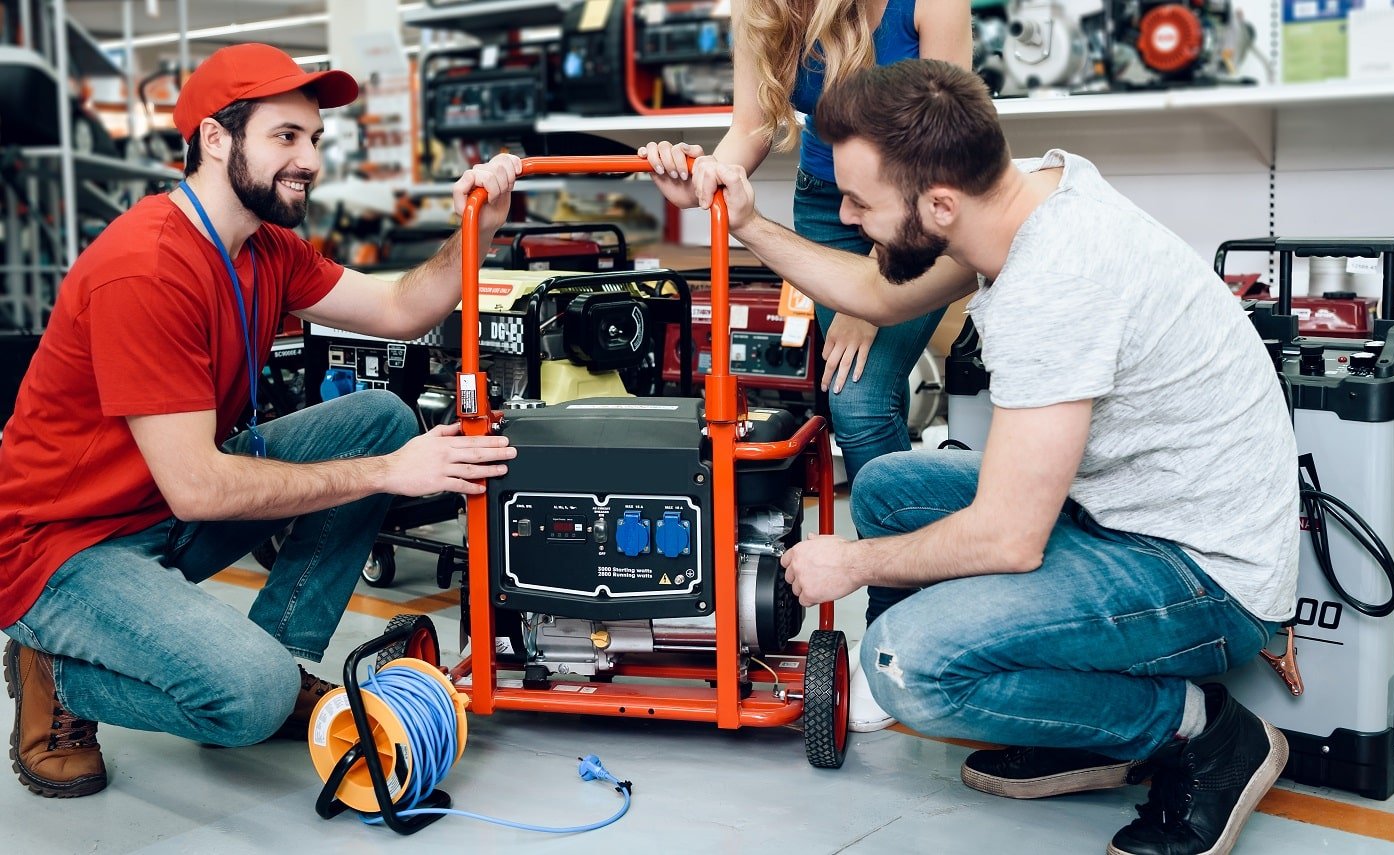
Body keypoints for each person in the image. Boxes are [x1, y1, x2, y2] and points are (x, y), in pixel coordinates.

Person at [703, 59, 1298, 855]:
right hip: (1121, 511)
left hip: (1203, 572)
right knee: (885, 487)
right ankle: (1079, 721)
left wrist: (851, 562)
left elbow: (1009, 537)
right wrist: (744, 220)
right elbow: (877, 295)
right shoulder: (1021, 196)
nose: (845, 215)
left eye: (859, 202)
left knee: (905, 663)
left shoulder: (1055, 281)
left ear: (938, 203)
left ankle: (1205, 731)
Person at [0, 43, 525, 798]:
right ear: (216, 139)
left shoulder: (265, 247)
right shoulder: (146, 267)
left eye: (313, 138)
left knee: (377, 417)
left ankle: (279, 658)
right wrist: (392, 473)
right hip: (61, 547)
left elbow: (402, 309)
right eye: (286, 136)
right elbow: (199, 490)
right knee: (249, 696)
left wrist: (479, 227)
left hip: (156, 506)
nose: (309, 158)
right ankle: (57, 672)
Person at [640, 0, 972, 732]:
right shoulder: (765, 8)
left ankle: (896, 637)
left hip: (921, 206)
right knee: (844, 401)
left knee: (858, 404)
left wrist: (874, 288)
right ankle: (917, 594)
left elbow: (950, 145)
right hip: (827, 204)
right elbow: (754, 124)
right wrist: (703, 177)